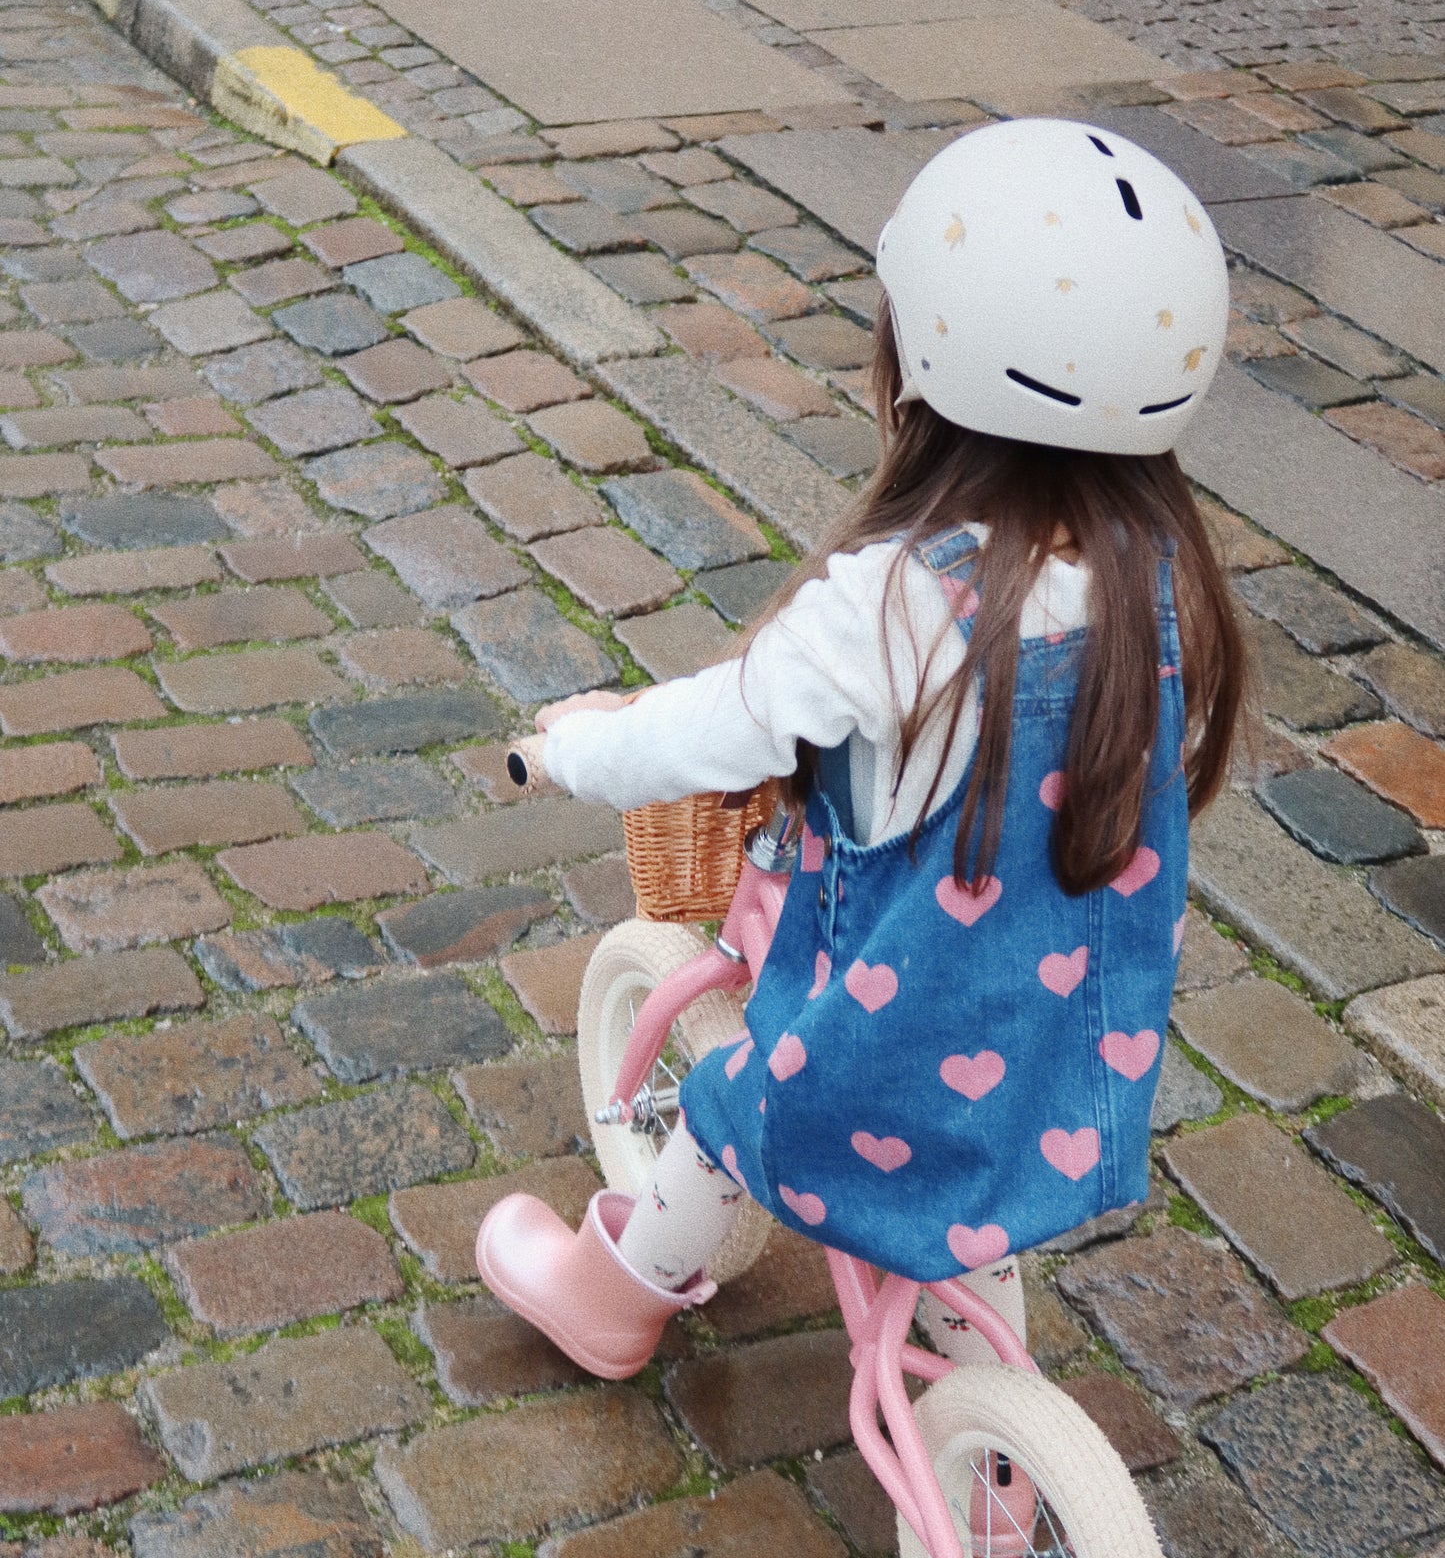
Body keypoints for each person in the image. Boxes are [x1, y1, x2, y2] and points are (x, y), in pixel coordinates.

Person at [478, 117, 1245, 1381]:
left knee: (733, 1108)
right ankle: (994, 1445)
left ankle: (612, 1299)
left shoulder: (893, 604)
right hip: (1058, 1038)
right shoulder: (1166, 582)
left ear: (919, 348)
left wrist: (579, 747)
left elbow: (704, 726)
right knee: (967, 1177)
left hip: (894, 1020)